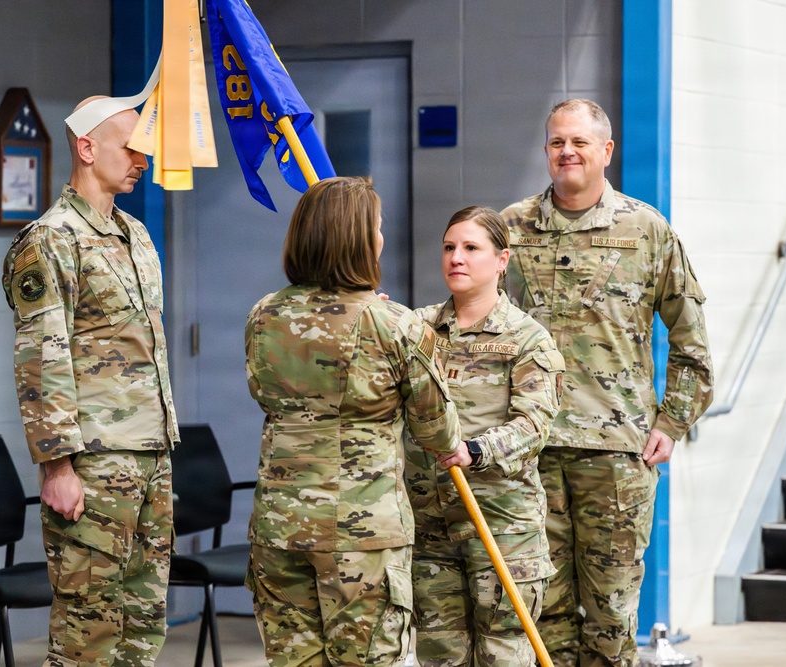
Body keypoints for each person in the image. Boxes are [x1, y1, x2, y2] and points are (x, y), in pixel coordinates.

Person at [501, 99, 713, 667]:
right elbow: (475, 320)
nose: (566, 152)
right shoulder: (511, 227)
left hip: (616, 454)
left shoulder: (646, 229)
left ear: (607, 150)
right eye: (556, 142)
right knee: (539, 614)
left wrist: (674, 421)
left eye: (579, 142)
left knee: (611, 620)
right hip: (530, 450)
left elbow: (691, 336)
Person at [243, 176, 462, 667]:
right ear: (360, 240)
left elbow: (262, 394)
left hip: (279, 527)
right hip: (363, 534)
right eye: (377, 228)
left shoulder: (263, 315)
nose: (381, 238)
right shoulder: (394, 324)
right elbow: (437, 433)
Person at [2, 97, 178, 667]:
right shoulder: (50, 239)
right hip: (94, 460)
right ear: (86, 148)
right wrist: (57, 467)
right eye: (131, 149)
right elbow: (41, 356)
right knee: (87, 634)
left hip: (151, 453)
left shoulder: (136, 235)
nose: (142, 161)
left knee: (143, 628)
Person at [405, 206, 564, 667]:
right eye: (449, 247)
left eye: (471, 248)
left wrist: (474, 451)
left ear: (501, 260)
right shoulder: (415, 329)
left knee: (503, 655)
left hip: (501, 527)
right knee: (439, 657)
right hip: (431, 529)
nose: (456, 257)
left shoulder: (527, 338)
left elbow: (534, 424)